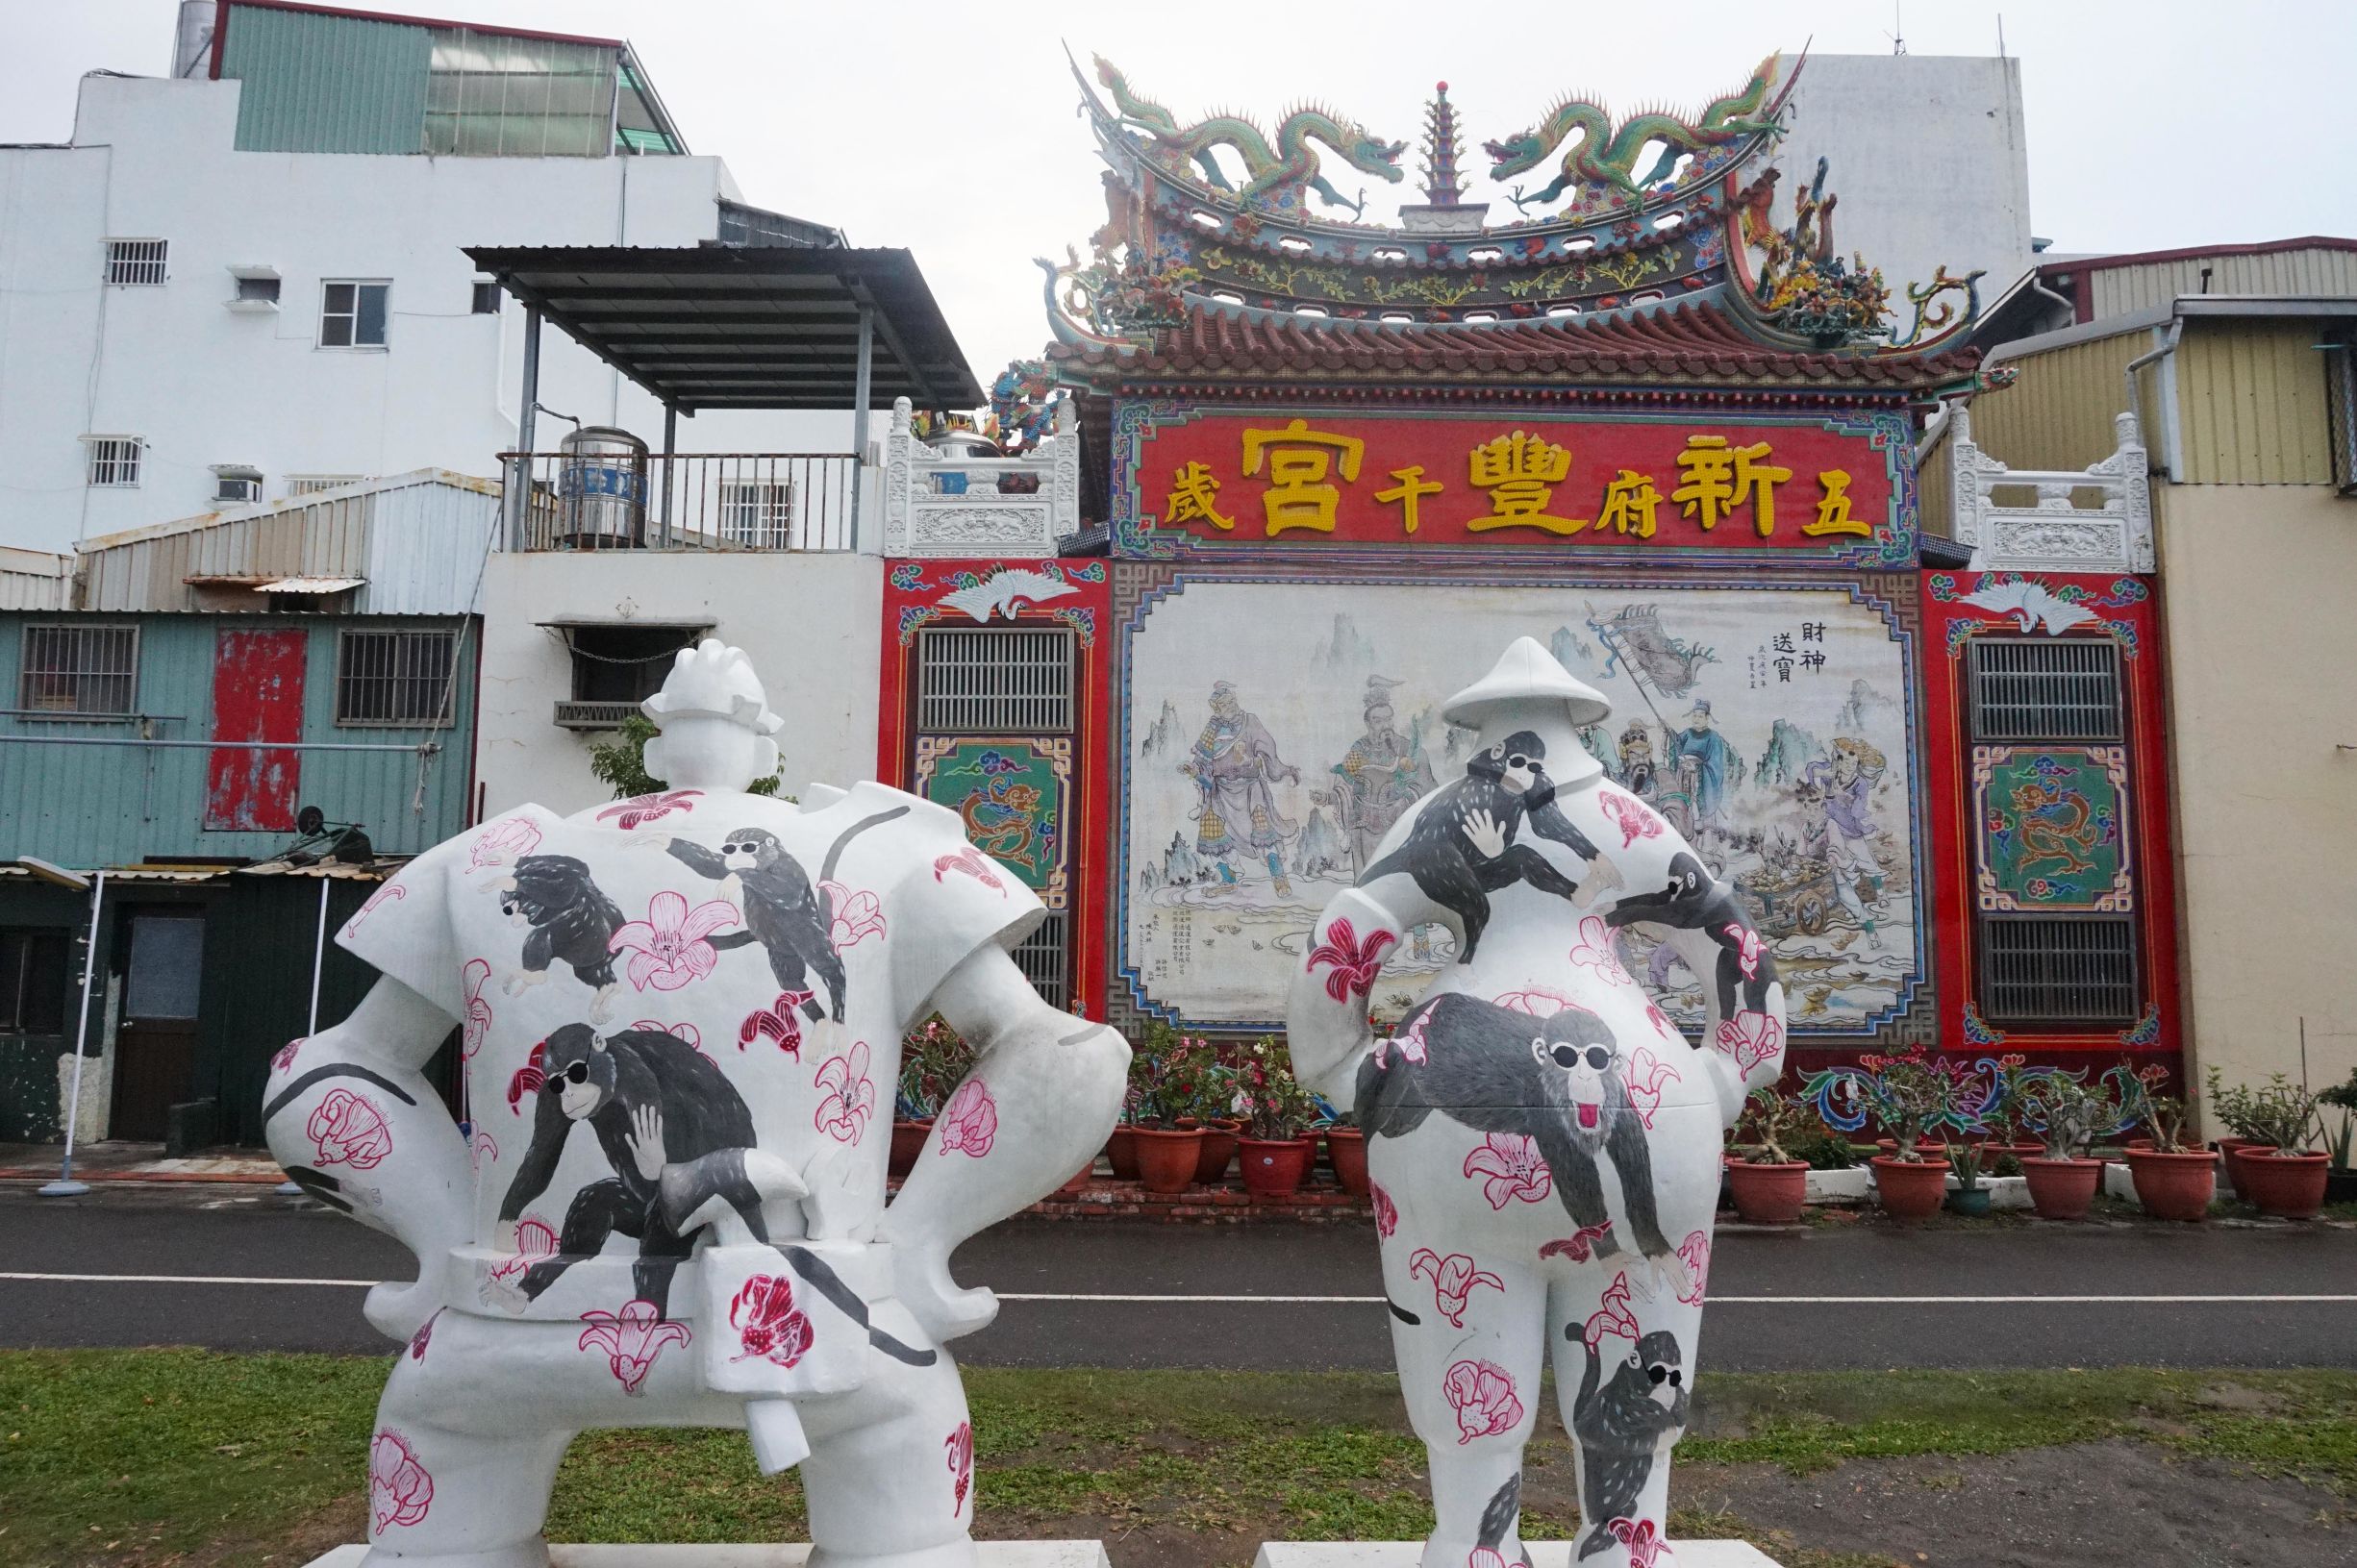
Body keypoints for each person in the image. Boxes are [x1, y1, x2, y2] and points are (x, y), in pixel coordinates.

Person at [1181, 680, 1302, 897]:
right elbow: (1203, 761)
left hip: (1250, 790)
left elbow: (1267, 754)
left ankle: (1279, 879)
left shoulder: (1250, 722)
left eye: (1231, 701)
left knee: (1262, 829)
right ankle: (1228, 880)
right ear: (1216, 708)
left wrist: (1253, 761)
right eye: (1224, 704)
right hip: (1220, 791)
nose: (1230, 706)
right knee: (1211, 828)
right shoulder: (1212, 728)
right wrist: (1193, 769)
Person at [1316, 676, 1438, 877]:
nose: (1385, 725)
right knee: (1364, 879)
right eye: (1378, 720)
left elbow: (1426, 784)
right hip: (1362, 826)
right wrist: (1329, 798)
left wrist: (1404, 801)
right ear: (1368, 723)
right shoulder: (1359, 749)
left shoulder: (1407, 748)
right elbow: (1347, 784)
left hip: (1396, 825)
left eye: (1388, 719)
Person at [1801, 735, 1889, 949]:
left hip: (1850, 830)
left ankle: (1880, 893)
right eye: (1845, 761)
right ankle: (1854, 908)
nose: (1849, 765)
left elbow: (1858, 808)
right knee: (1842, 879)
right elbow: (1811, 769)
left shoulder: (1860, 783)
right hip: (1831, 828)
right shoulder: (1831, 773)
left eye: (1853, 762)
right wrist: (1824, 774)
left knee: (1866, 862)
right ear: (1838, 761)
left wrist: (1844, 798)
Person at [1664, 699, 1740, 833]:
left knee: (1700, 812)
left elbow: (1714, 763)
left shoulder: (1713, 737)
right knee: (1682, 803)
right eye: (1694, 716)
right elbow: (1676, 743)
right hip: (1683, 775)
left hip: (1701, 780)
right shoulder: (1688, 733)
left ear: (1707, 718)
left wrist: (1697, 769)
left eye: (1700, 716)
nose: (1696, 719)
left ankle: (1703, 833)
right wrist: (1668, 731)